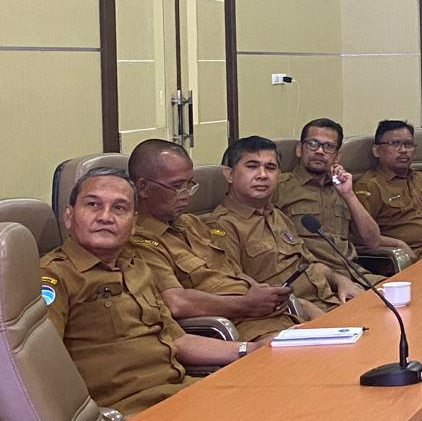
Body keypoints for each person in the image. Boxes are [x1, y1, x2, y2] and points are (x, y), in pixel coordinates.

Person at [41, 169, 261, 417]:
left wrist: (250, 349)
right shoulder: (54, 276)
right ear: (68, 216)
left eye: (119, 208)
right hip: (129, 412)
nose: (105, 217)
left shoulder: (136, 266)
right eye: (93, 205)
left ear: (133, 224)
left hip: (180, 392)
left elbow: (178, 340)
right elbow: (41, 368)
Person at [127, 139, 295, 342]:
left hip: (272, 317)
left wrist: (264, 293)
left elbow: (233, 272)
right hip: (237, 329)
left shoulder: (191, 223)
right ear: (143, 187)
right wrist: (247, 304)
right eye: (177, 186)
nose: (186, 195)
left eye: (190, 184)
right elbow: (176, 302)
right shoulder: (139, 239)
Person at [211, 137, 361, 318]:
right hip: (287, 316)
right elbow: (238, 289)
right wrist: (299, 305)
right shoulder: (222, 226)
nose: (262, 175)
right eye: (252, 166)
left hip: (328, 301)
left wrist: (341, 280)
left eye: (270, 168)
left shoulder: (277, 215)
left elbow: (310, 264)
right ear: (229, 174)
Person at [275, 118, 394, 277]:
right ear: (299, 150)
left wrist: (349, 195)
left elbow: (373, 241)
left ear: (337, 156)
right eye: (312, 144)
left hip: (356, 274)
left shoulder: (343, 188)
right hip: (315, 279)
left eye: (329, 147)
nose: (320, 151)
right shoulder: (279, 187)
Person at [354, 119, 422, 260]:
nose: (403, 150)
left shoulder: (419, 176)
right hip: (413, 257)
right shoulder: (370, 186)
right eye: (395, 144)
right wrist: (398, 244)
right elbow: (360, 237)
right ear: (376, 151)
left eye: (408, 144)